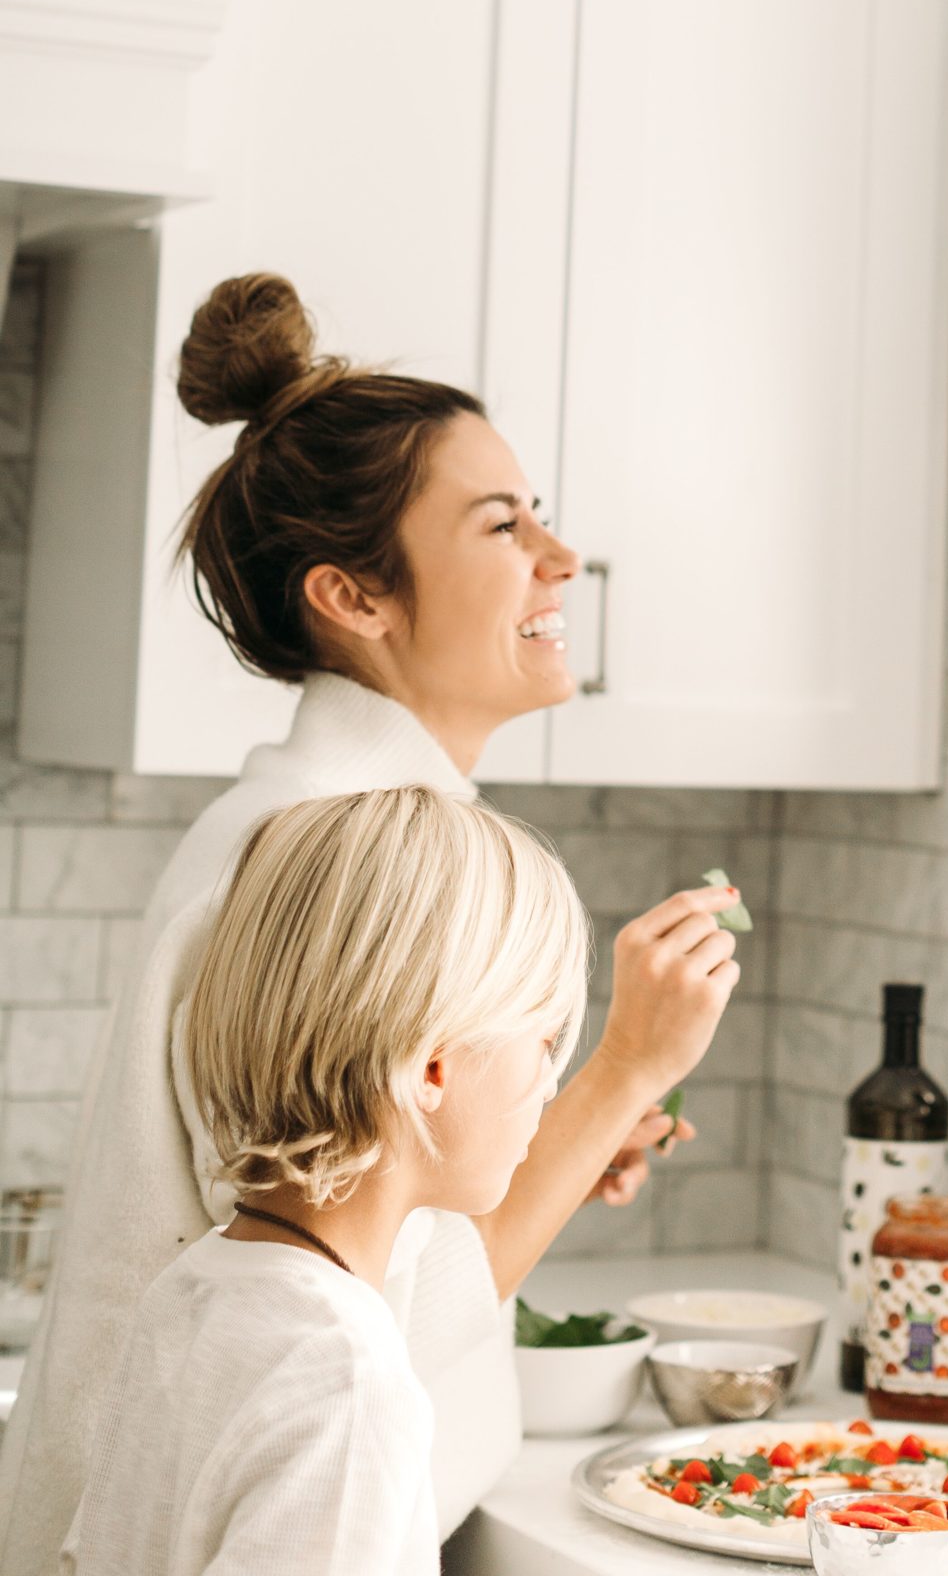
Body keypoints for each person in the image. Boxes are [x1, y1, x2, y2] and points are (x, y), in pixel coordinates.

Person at [0, 274, 740, 1576]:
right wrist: (624, 1066)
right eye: (503, 526)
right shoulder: (335, 859)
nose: (561, 562)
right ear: (354, 596)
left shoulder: (322, 825)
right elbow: (365, 1298)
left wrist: (555, 1129)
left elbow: (365, 1217)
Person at [75, 784, 586, 1575]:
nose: (550, 1084)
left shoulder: (195, 1291)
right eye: (544, 1042)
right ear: (433, 1068)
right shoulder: (344, 1385)